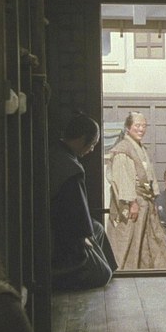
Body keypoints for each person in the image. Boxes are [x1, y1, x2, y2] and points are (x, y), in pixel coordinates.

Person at [49, 111, 117, 291]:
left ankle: (107, 267)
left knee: (98, 228)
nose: (92, 149)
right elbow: (74, 209)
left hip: (62, 222)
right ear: (81, 139)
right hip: (60, 230)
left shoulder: (59, 152)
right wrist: (83, 237)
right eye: (92, 144)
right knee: (102, 274)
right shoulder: (69, 167)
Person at [105, 111, 166, 270]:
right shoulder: (123, 149)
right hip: (132, 202)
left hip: (144, 200)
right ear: (128, 127)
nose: (141, 129)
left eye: (144, 126)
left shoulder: (140, 148)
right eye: (137, 125)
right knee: (129, 238)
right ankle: (126, 270)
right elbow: (123, 179)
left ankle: (144, 269)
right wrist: (132, 202)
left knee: (146, 238)